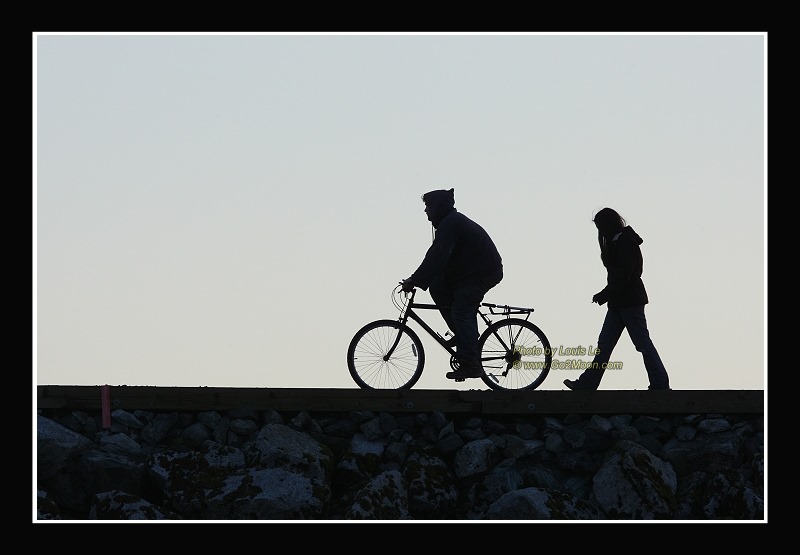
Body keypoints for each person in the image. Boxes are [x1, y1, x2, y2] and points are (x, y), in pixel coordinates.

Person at [564, 207, 671, 391]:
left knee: (641, 343)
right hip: (620, 302)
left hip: (628, 300)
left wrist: (605, 294)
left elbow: (624, 275)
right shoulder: (620, 241)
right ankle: (587, 384)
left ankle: (660, 384)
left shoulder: (624, 242)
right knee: (606, 345)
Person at [401, 188, 503, 380]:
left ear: (438, 207)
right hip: (468, 273)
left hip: (483, 272)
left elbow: (438, 256)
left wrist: (415, 279)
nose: (425, 211)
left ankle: (471, 365)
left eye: (428, 206)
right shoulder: (448, 224)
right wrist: (420, 279)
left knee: (461, 310)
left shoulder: (451, 224)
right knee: (437, 287)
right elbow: (437, 256)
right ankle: (464, 335)